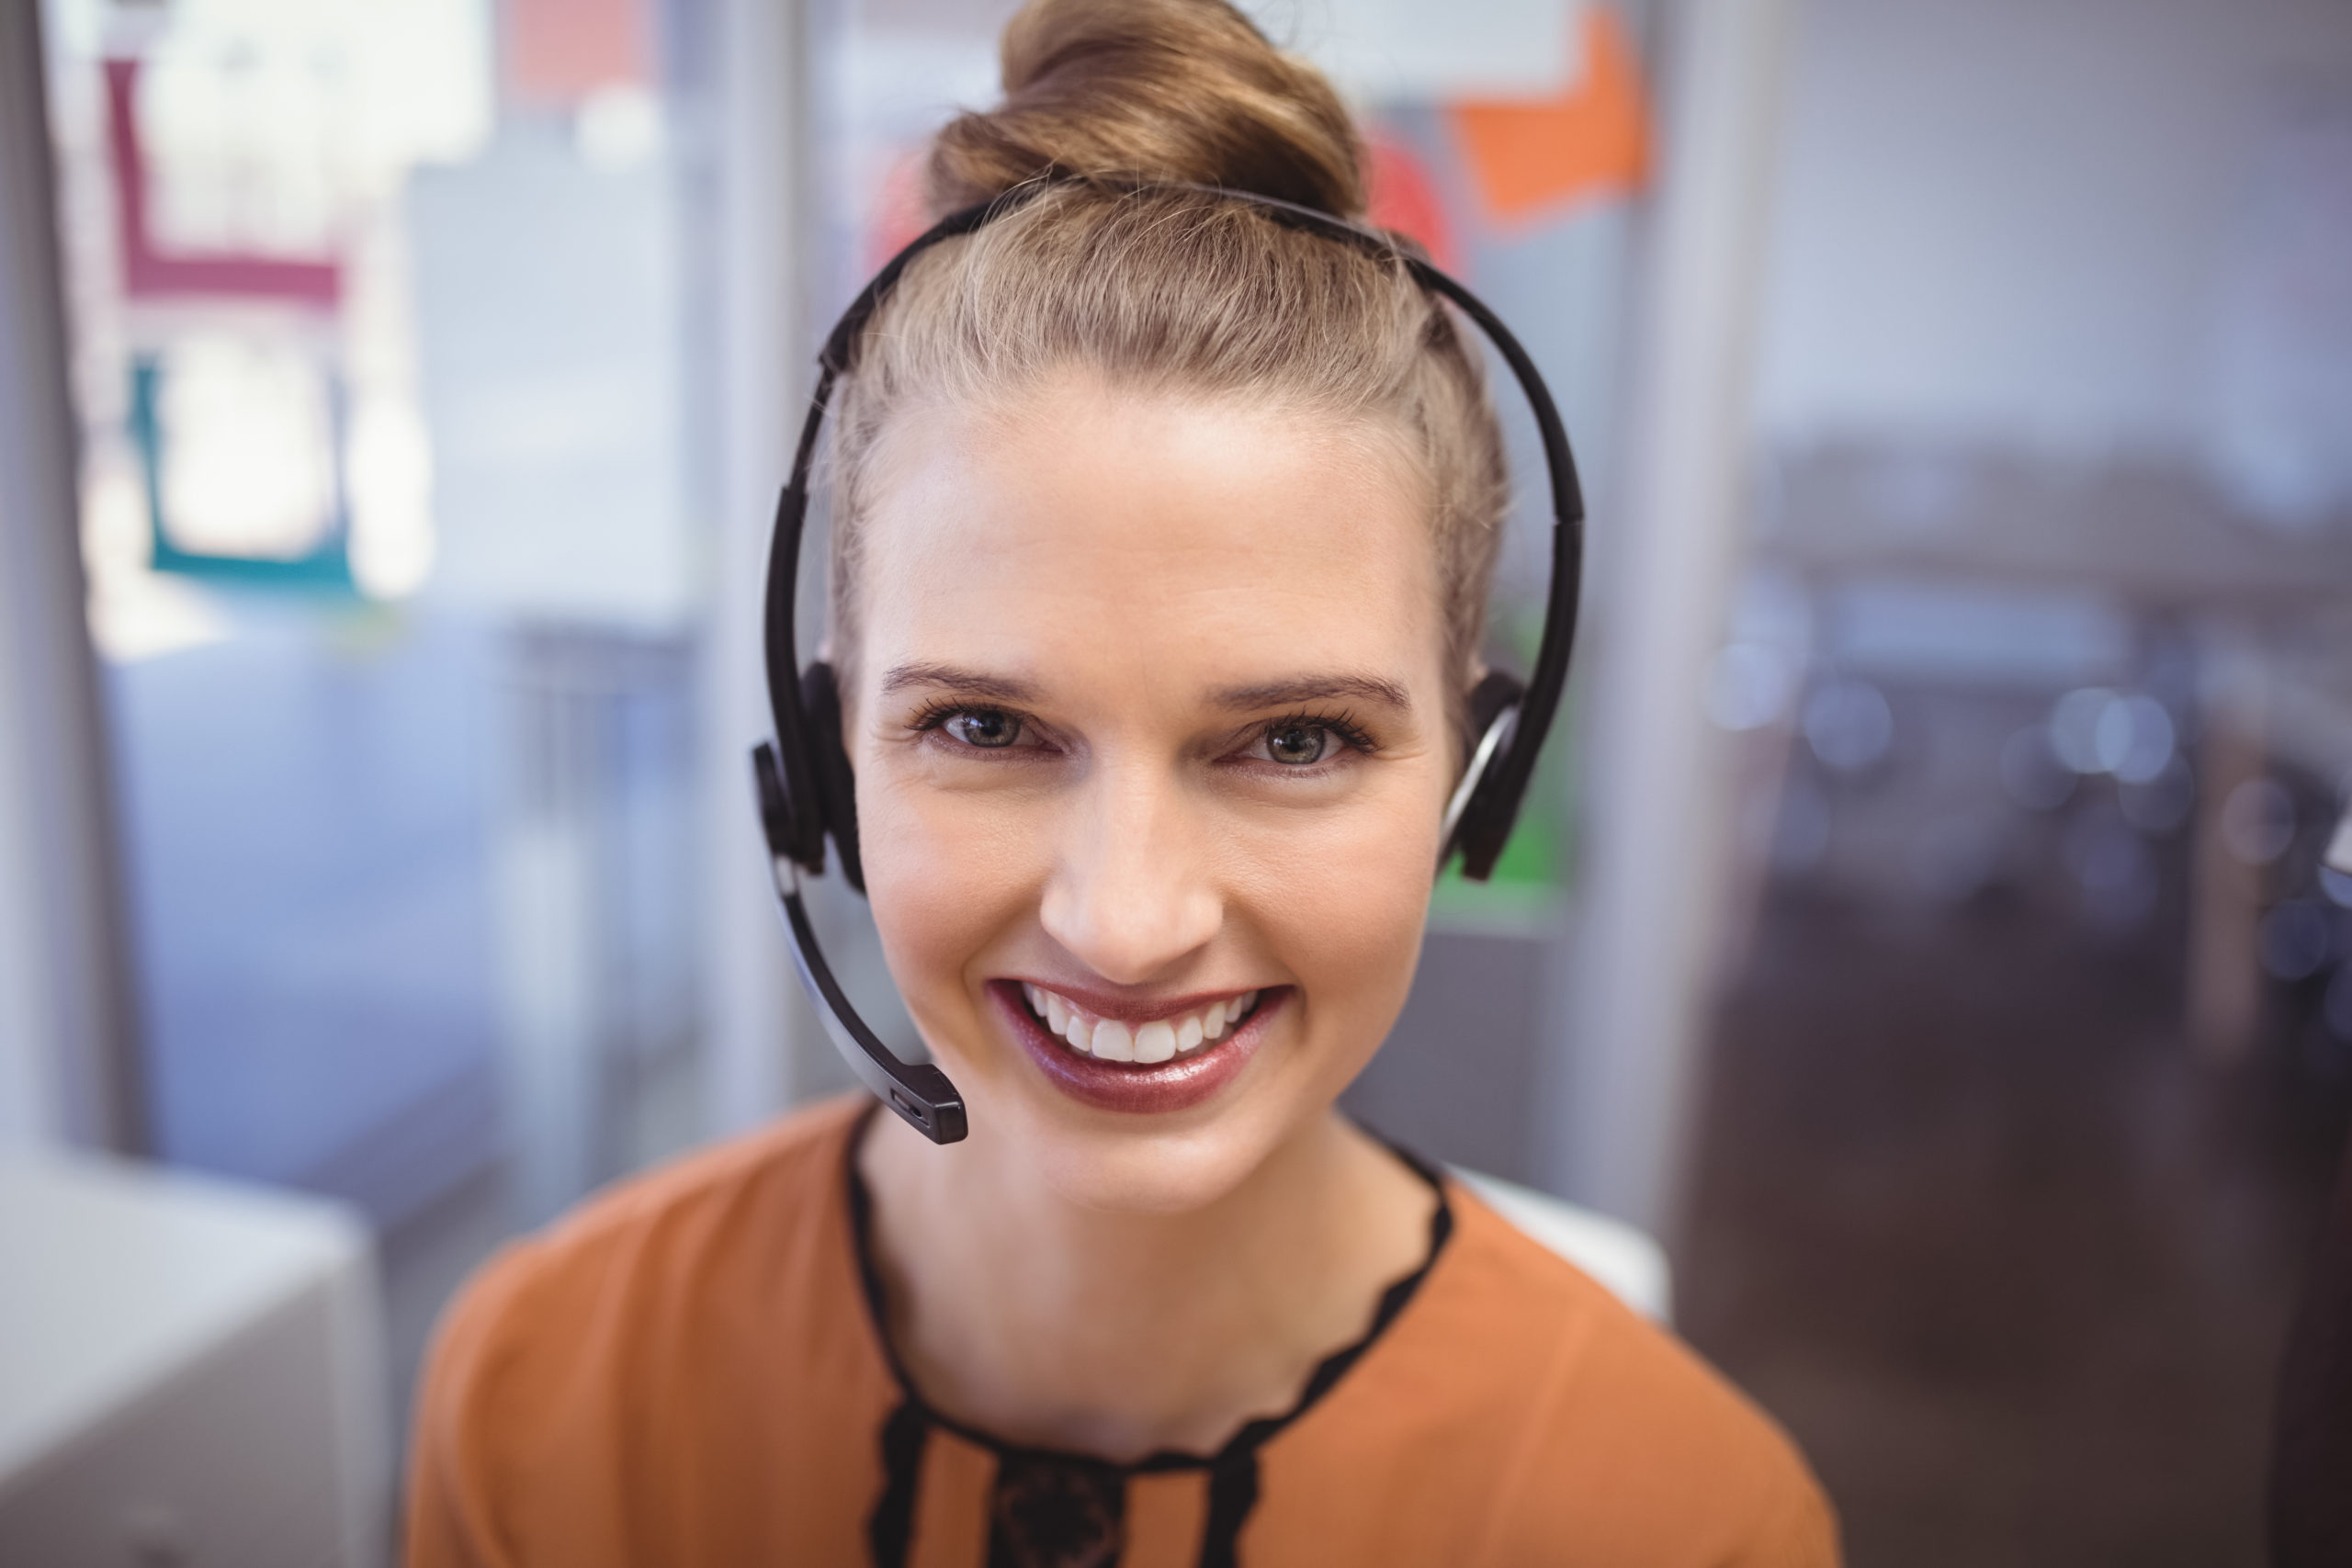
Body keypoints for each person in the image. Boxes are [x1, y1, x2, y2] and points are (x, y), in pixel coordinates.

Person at [403, 2, 1839, 1562]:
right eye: (985, 729)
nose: (1129, 922)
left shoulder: (1689, 1524)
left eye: (1296, 741)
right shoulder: (553, 1396)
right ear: (824, 762)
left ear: (1475, 781)